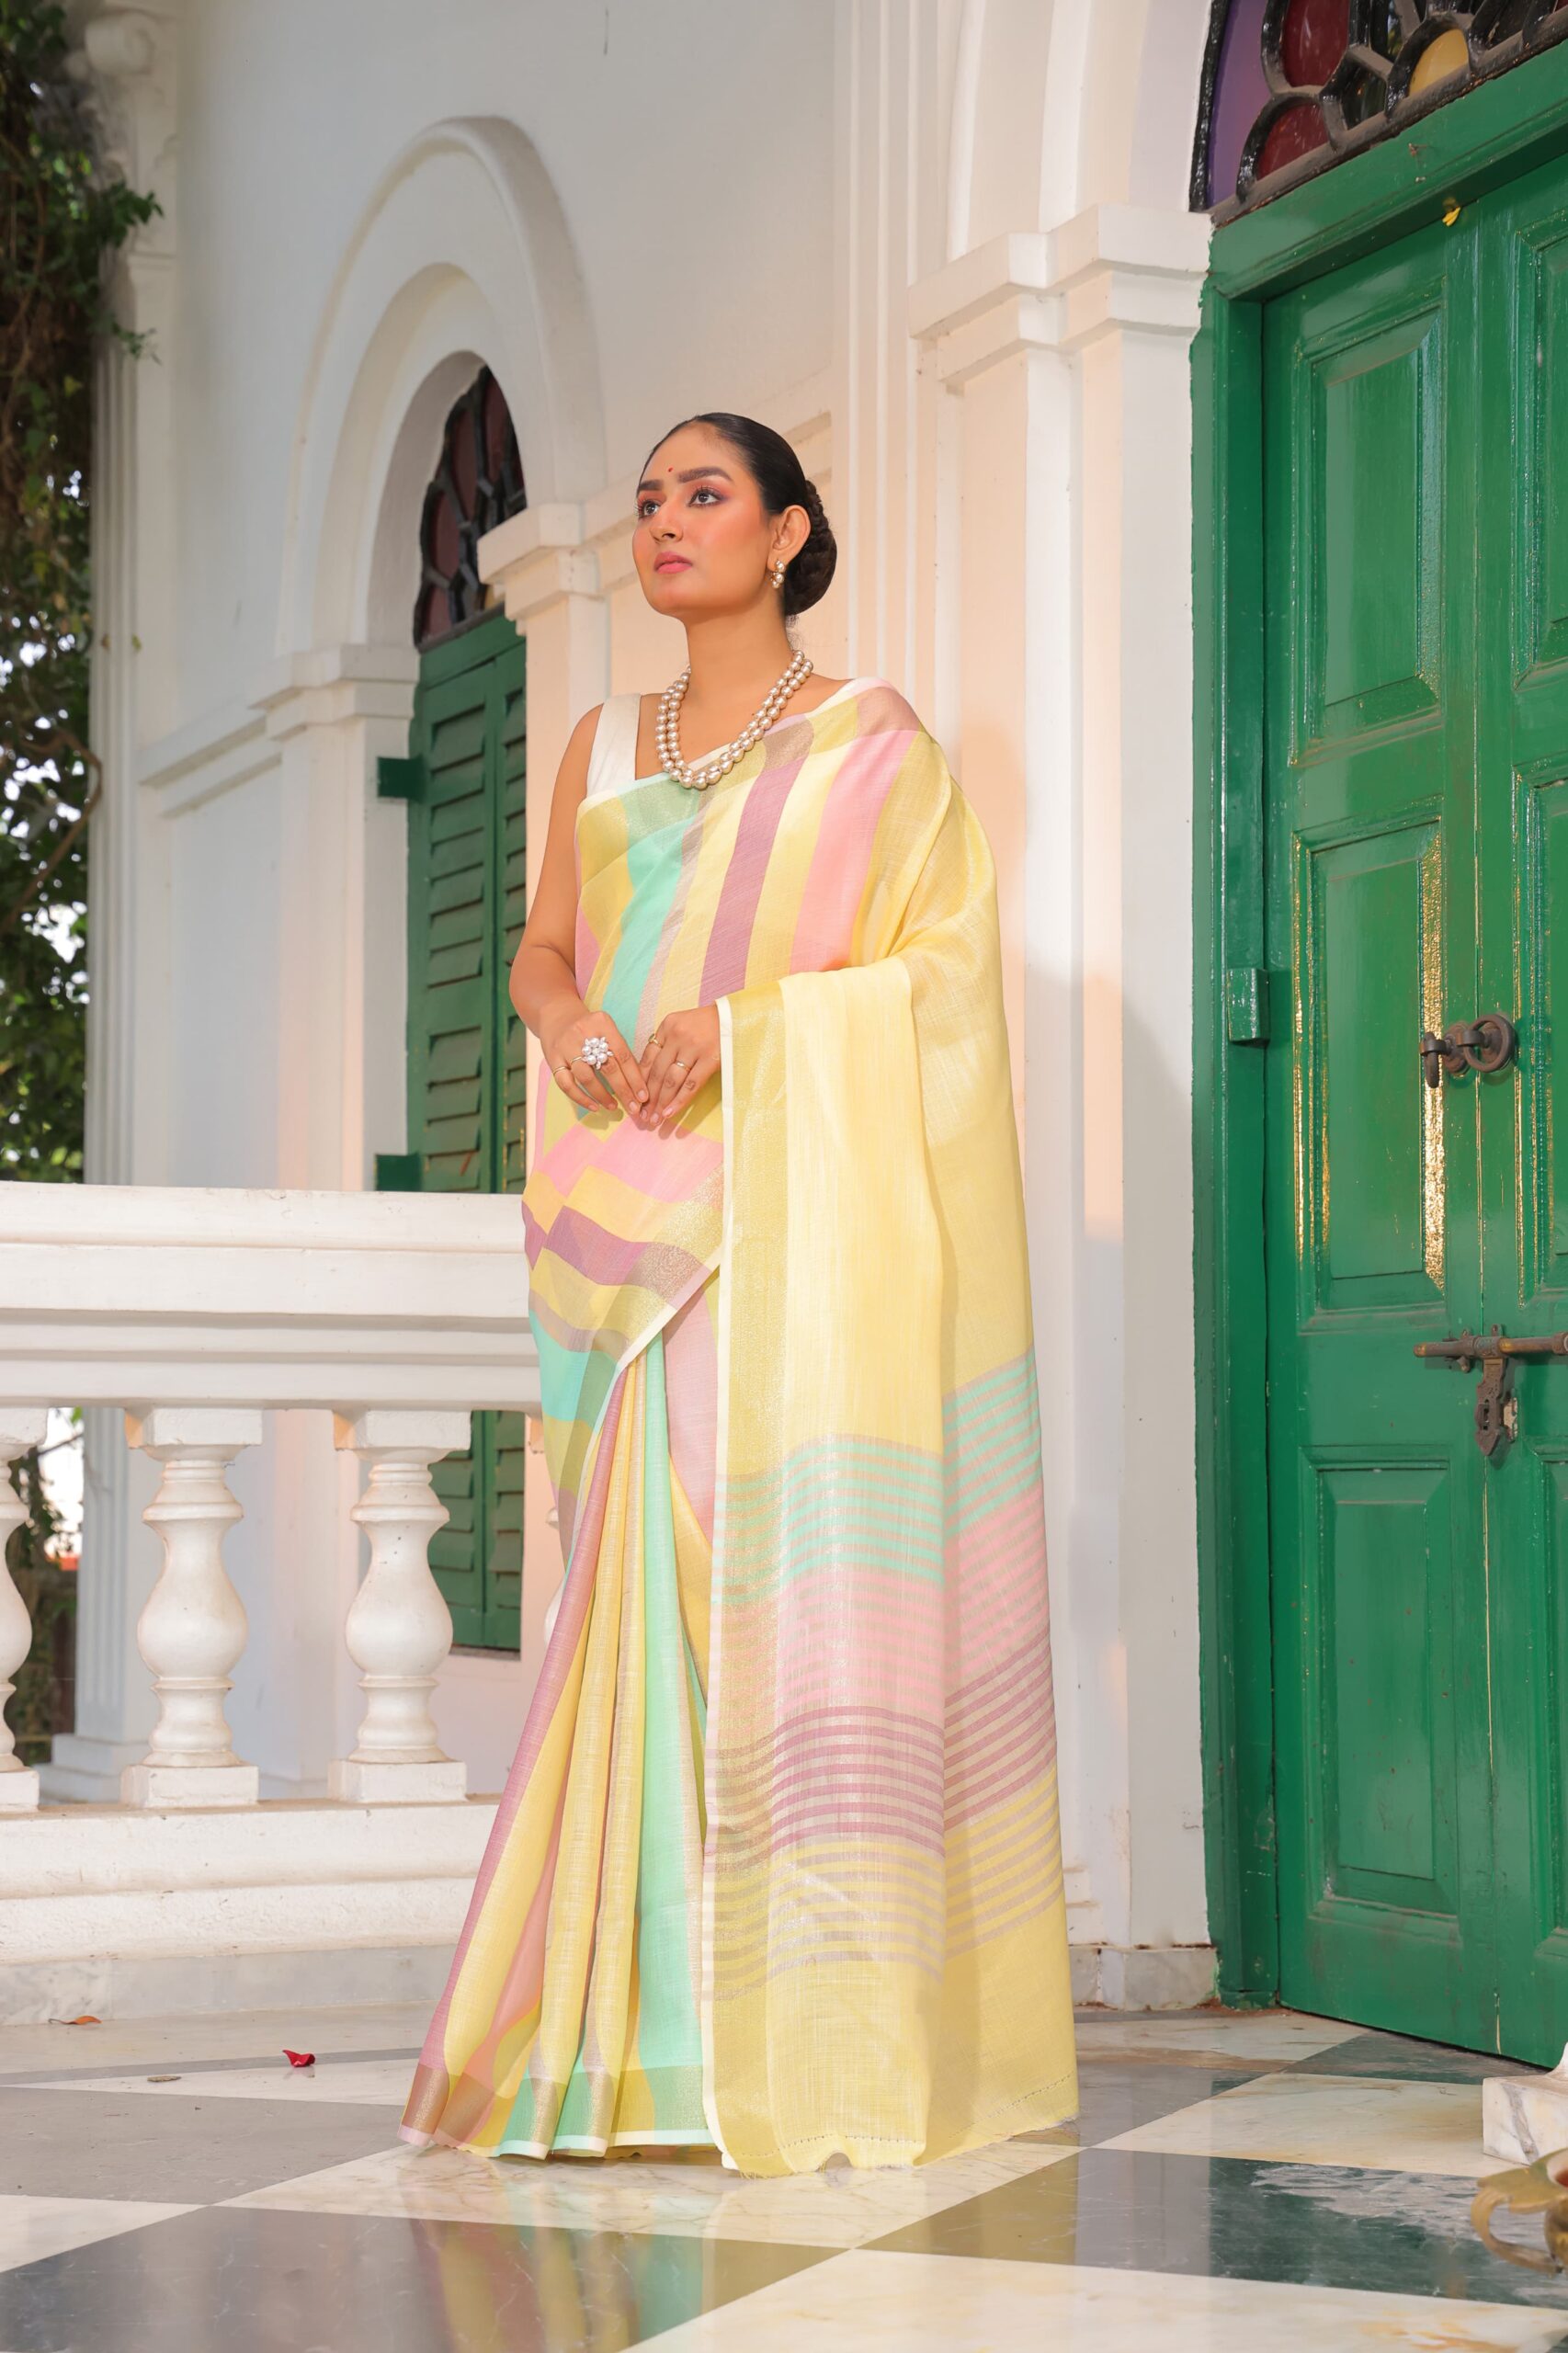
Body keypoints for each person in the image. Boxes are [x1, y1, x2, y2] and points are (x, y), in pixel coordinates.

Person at [401, 411, 1077, 2178]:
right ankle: (638, 2037)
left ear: (786, 533)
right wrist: (569, 1022)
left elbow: (940, 976)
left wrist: (754, 1033)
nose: (665, 522)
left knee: (764, 1580)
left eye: (704, 495)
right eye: (647, 501)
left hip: (781, 1215)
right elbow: (542, 947)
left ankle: (802, 2023)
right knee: (632, 1593)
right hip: (615, 1211)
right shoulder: (597, 744)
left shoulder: (870, 743)